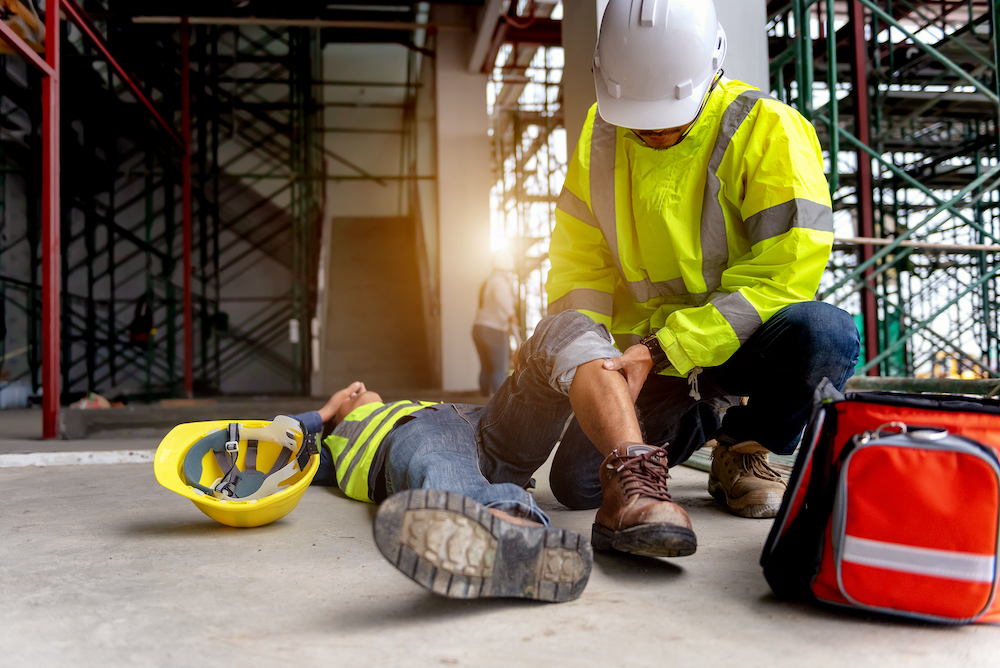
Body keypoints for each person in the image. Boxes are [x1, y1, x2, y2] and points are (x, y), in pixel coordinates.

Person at [467, 0, 859, 557]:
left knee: (826, 333)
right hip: (644, 357)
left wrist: (666, 345)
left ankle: (748, 446)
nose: (652, 132)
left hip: (738, 341)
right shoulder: (600, 138)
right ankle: (703, 416)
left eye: (669, 117)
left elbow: (785, 275)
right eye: (640, 118)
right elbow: (583, 264)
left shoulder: (769, 131)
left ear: (711, 72)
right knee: (578, 484)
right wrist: (595, 362)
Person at [293, 382, 593, 603]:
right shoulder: (330, 446)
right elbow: (267, 441)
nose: (357, 389)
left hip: (473, 426)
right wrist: (323, 413)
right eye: (349, 394)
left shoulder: (404, 404)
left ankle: (505, 532)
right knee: (438, 460)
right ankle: (512, 529)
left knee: (540, 362)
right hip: (417, 439)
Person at [472, 250, 519, 396]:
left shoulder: (488, 280)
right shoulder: (500, 281)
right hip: (494, 330)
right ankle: (501, 407)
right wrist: (512, 315)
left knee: (486, 368)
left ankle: (482, 401)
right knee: (499, 369)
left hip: (478, 328)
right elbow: (502, 298)